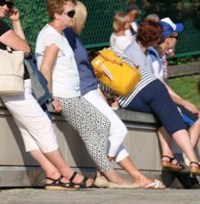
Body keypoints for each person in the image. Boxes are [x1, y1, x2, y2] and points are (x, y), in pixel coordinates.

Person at [64, 1, 163, 189]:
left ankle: (137, 177)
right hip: (84, 91)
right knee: (118, 130)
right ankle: (102, 172)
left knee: (112, 134)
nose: (84, 22)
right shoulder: (67, 36)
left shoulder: (73, 36)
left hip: (91, 88)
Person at [37, 0, 134, 188]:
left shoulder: (59, 34)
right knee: (90, 132)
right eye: (70, 14)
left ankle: (102, 173)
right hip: (63, 95)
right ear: (57, 15)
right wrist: (50, 97)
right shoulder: (52, 36)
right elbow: (45, 68)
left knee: (103, 124)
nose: (74, 17)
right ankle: (112, 177)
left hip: (73, 94)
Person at [0, 0, 82, 190]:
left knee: (28, 132)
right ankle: (66, 172)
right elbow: (26, 48)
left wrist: (16, 22)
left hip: (13, 84)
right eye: (1, 2)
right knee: (42, 125)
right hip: (12, 86)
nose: (6, 6)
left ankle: (52, 174)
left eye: (8, 3)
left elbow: (23, 50)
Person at [121, 19, 200, 176]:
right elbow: (148, 83)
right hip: (134, 97)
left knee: (164, 113)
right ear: (155, 39)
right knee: (172, 113)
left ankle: (169, 157)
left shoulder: (142, 51)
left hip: (137, 96)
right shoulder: (138, 53)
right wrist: (182, 102)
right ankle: (192, 160)